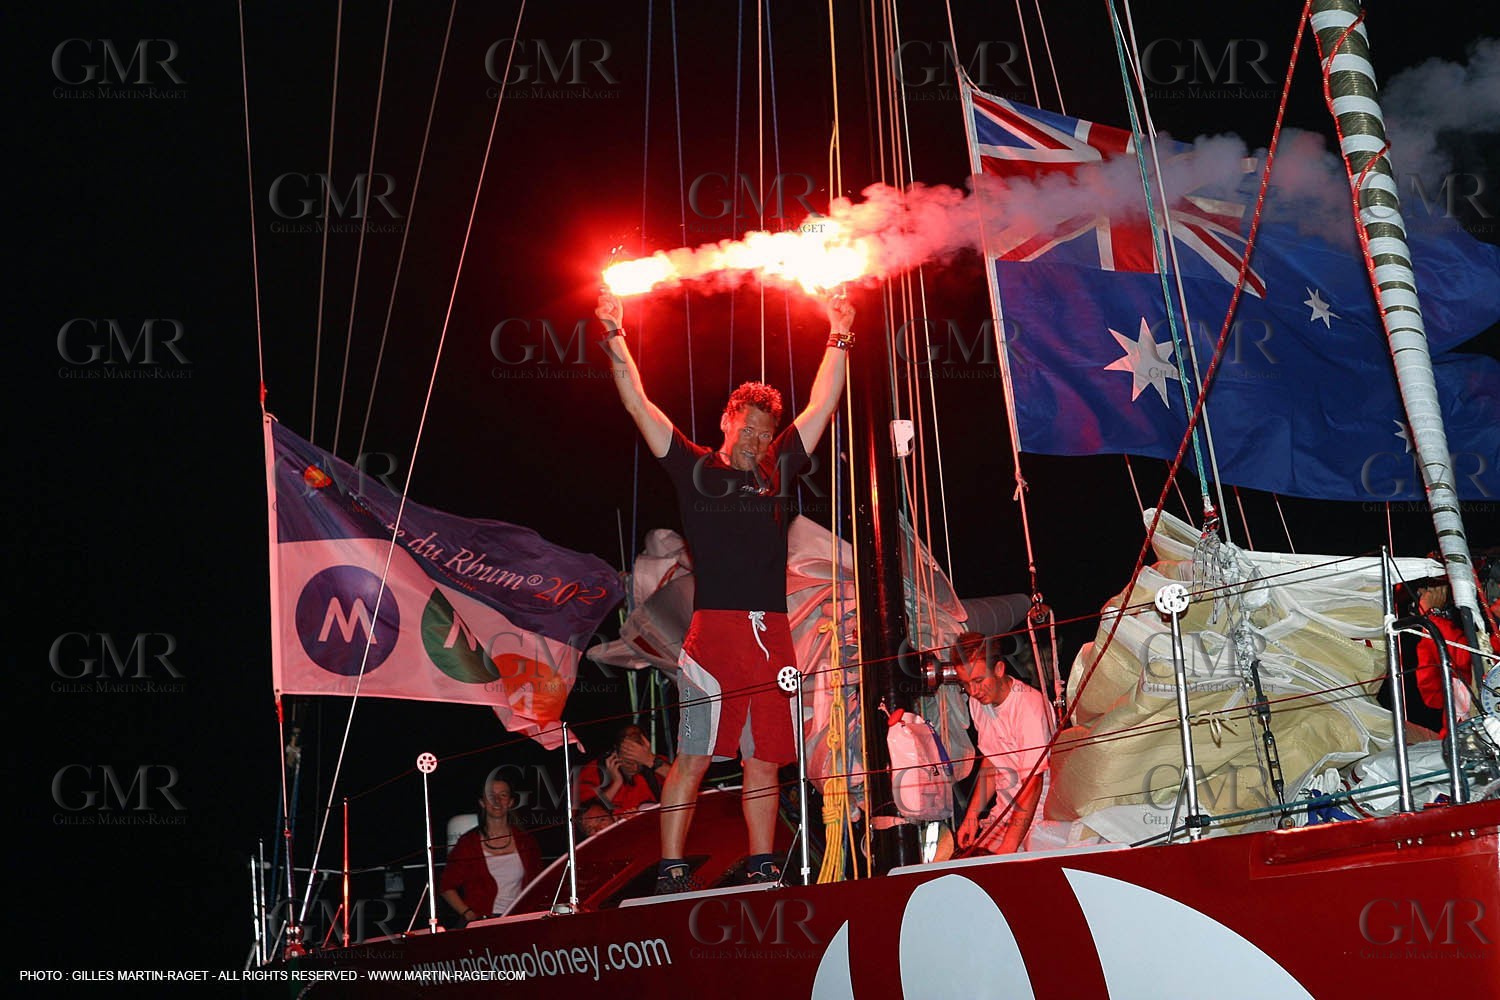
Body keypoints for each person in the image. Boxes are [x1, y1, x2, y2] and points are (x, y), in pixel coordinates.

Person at [597, 288, 854, 893]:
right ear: (727, 422)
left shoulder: (779, 469)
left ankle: (765, 865)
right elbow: (637, 400)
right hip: (713, 637)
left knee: (765, 757)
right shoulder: (693, 468)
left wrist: (839, 331)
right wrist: (614, 333)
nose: (758, 442)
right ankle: (671, 869)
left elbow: (823, 402)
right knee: (695, 755)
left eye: (767, 434)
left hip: (773, 639)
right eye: (750, 430)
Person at [952, 631, 1056, 854]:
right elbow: (991, 761)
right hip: (1003, 815)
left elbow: (1034, 783)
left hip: (1039, 817)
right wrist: (972, 816)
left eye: (979, 681)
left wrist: (1009, 845)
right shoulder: (978, 703)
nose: (974, 691)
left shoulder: (1029, 706)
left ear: (999, 669)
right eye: (966, 684)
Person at [439, 777, 542, 922]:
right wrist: (469, 914)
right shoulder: (468, 843)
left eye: (503, 795)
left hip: (520, 920)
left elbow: (538, 884)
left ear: (511, 802)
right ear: (482, 802)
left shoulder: (526, 842)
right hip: (484, 922)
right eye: (491, 796)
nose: (497, 801)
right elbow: (446, 887)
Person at [576, 723, 671, 818]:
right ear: (616, 752)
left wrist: (649, 760)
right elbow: (586, 819)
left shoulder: (657, 764)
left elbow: (683, 783)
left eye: (638, 760)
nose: (633, 766)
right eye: (628, 761)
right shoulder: (593, 771)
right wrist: (616, 783)